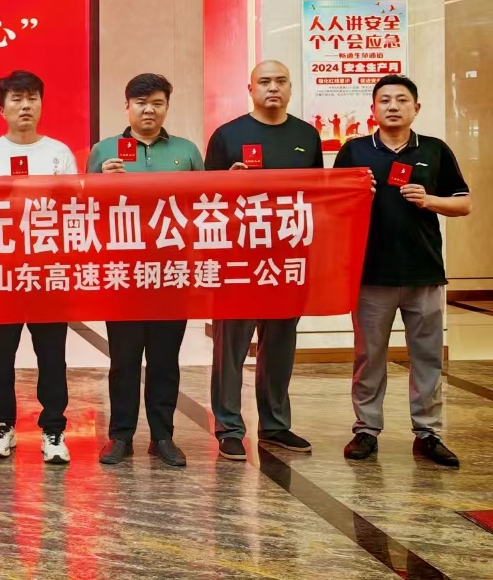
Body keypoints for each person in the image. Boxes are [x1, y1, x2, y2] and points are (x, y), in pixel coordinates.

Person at [335, 75, 469, 467]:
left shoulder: (435, 150)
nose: (393, 106)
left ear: (416, 108)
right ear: (373, 109)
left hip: (424, 272)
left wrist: (430, 200)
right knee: (369, 356)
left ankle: (428, 434)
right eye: (385, 100)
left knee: (427, 357)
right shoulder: (354, 150)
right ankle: (366, 430)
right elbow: (332, 206)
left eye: (402, 99)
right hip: (371, 274)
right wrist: (356, 197)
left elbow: (464, 204)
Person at [204, 60, 322, 461]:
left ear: (290, 88)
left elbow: (318, 197)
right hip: (238, 258)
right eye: (265, 81)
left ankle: (274, 425)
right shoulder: (228, 135)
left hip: (287, 257)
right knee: (231, 348)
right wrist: (228, 183)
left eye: (281, 81)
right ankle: (229, 427)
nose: (273, 88)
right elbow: (205, 199)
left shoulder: (307, 135)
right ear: (250, 89)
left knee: (280, 344)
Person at [87, 74, 203, 468]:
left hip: (172, 273)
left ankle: (162, 436)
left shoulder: (186, 152)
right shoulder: (104, 150)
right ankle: (120, 436)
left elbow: (204, 205)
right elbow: (84, 207)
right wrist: (101, 182)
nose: (149, 110)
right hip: (123, 274)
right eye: (140, 103)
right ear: (127, 107)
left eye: (157, 102)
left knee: (165, 360)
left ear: (167, 106)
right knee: (123, 360)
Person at [0, 70, 75, 465]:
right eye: (16, 98)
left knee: (52, 355)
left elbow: (72, 208)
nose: (25, 105)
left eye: (32, 98)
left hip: (48, 269)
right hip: (3, 270)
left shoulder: (60, 153)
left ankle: (53, 429)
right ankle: (2, 426)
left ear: (42, 104)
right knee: (0, 354)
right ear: (2, 109)